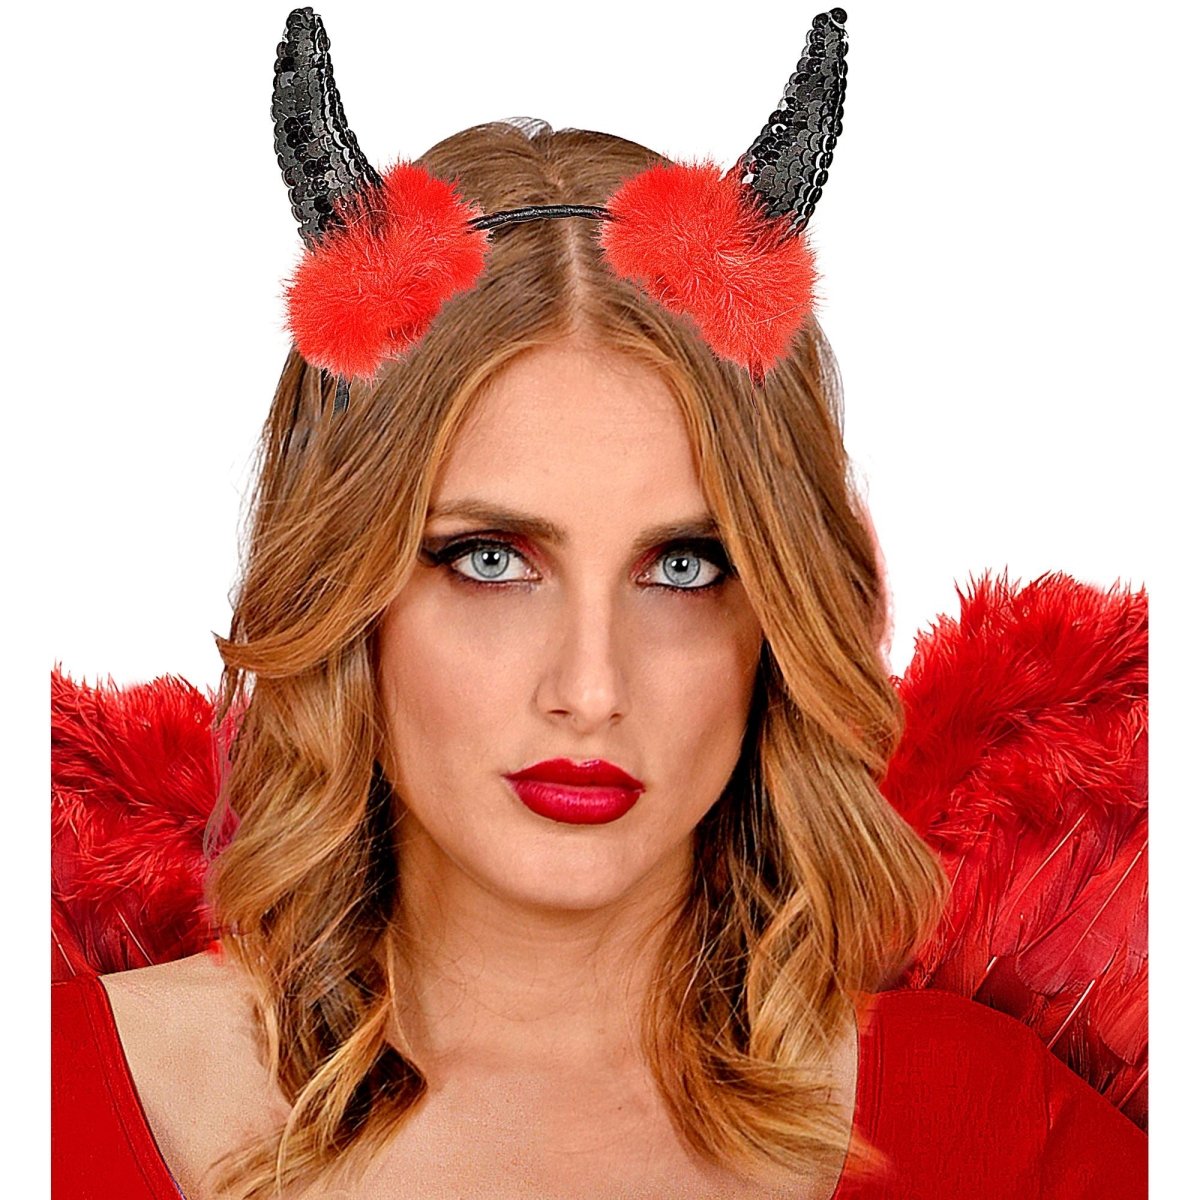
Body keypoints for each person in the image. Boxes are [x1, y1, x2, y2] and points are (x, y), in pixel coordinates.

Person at [51, 9, 1148, 1199]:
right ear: (344, 590)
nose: (590, 688)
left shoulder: (988, 1133)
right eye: (489, 560)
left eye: (682, 568)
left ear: (778, 617)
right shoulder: (54, 1103)